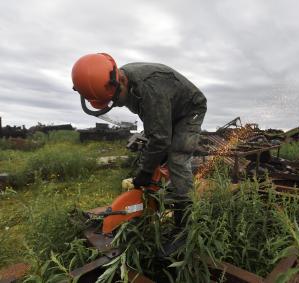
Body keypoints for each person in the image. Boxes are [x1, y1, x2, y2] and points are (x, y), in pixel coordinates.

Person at [71, 53, 207, 228]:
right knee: (156, 154)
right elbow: (154, 126)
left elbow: (160, 138)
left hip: (190, 109)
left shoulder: (149, 87)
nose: (117, 104)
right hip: (168, 107)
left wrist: (145, 172)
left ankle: (185, 221)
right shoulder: (123, 81)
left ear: (120, 81)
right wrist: (149, 163)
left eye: (114, 100)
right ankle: (165, 193)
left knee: (177, 157)